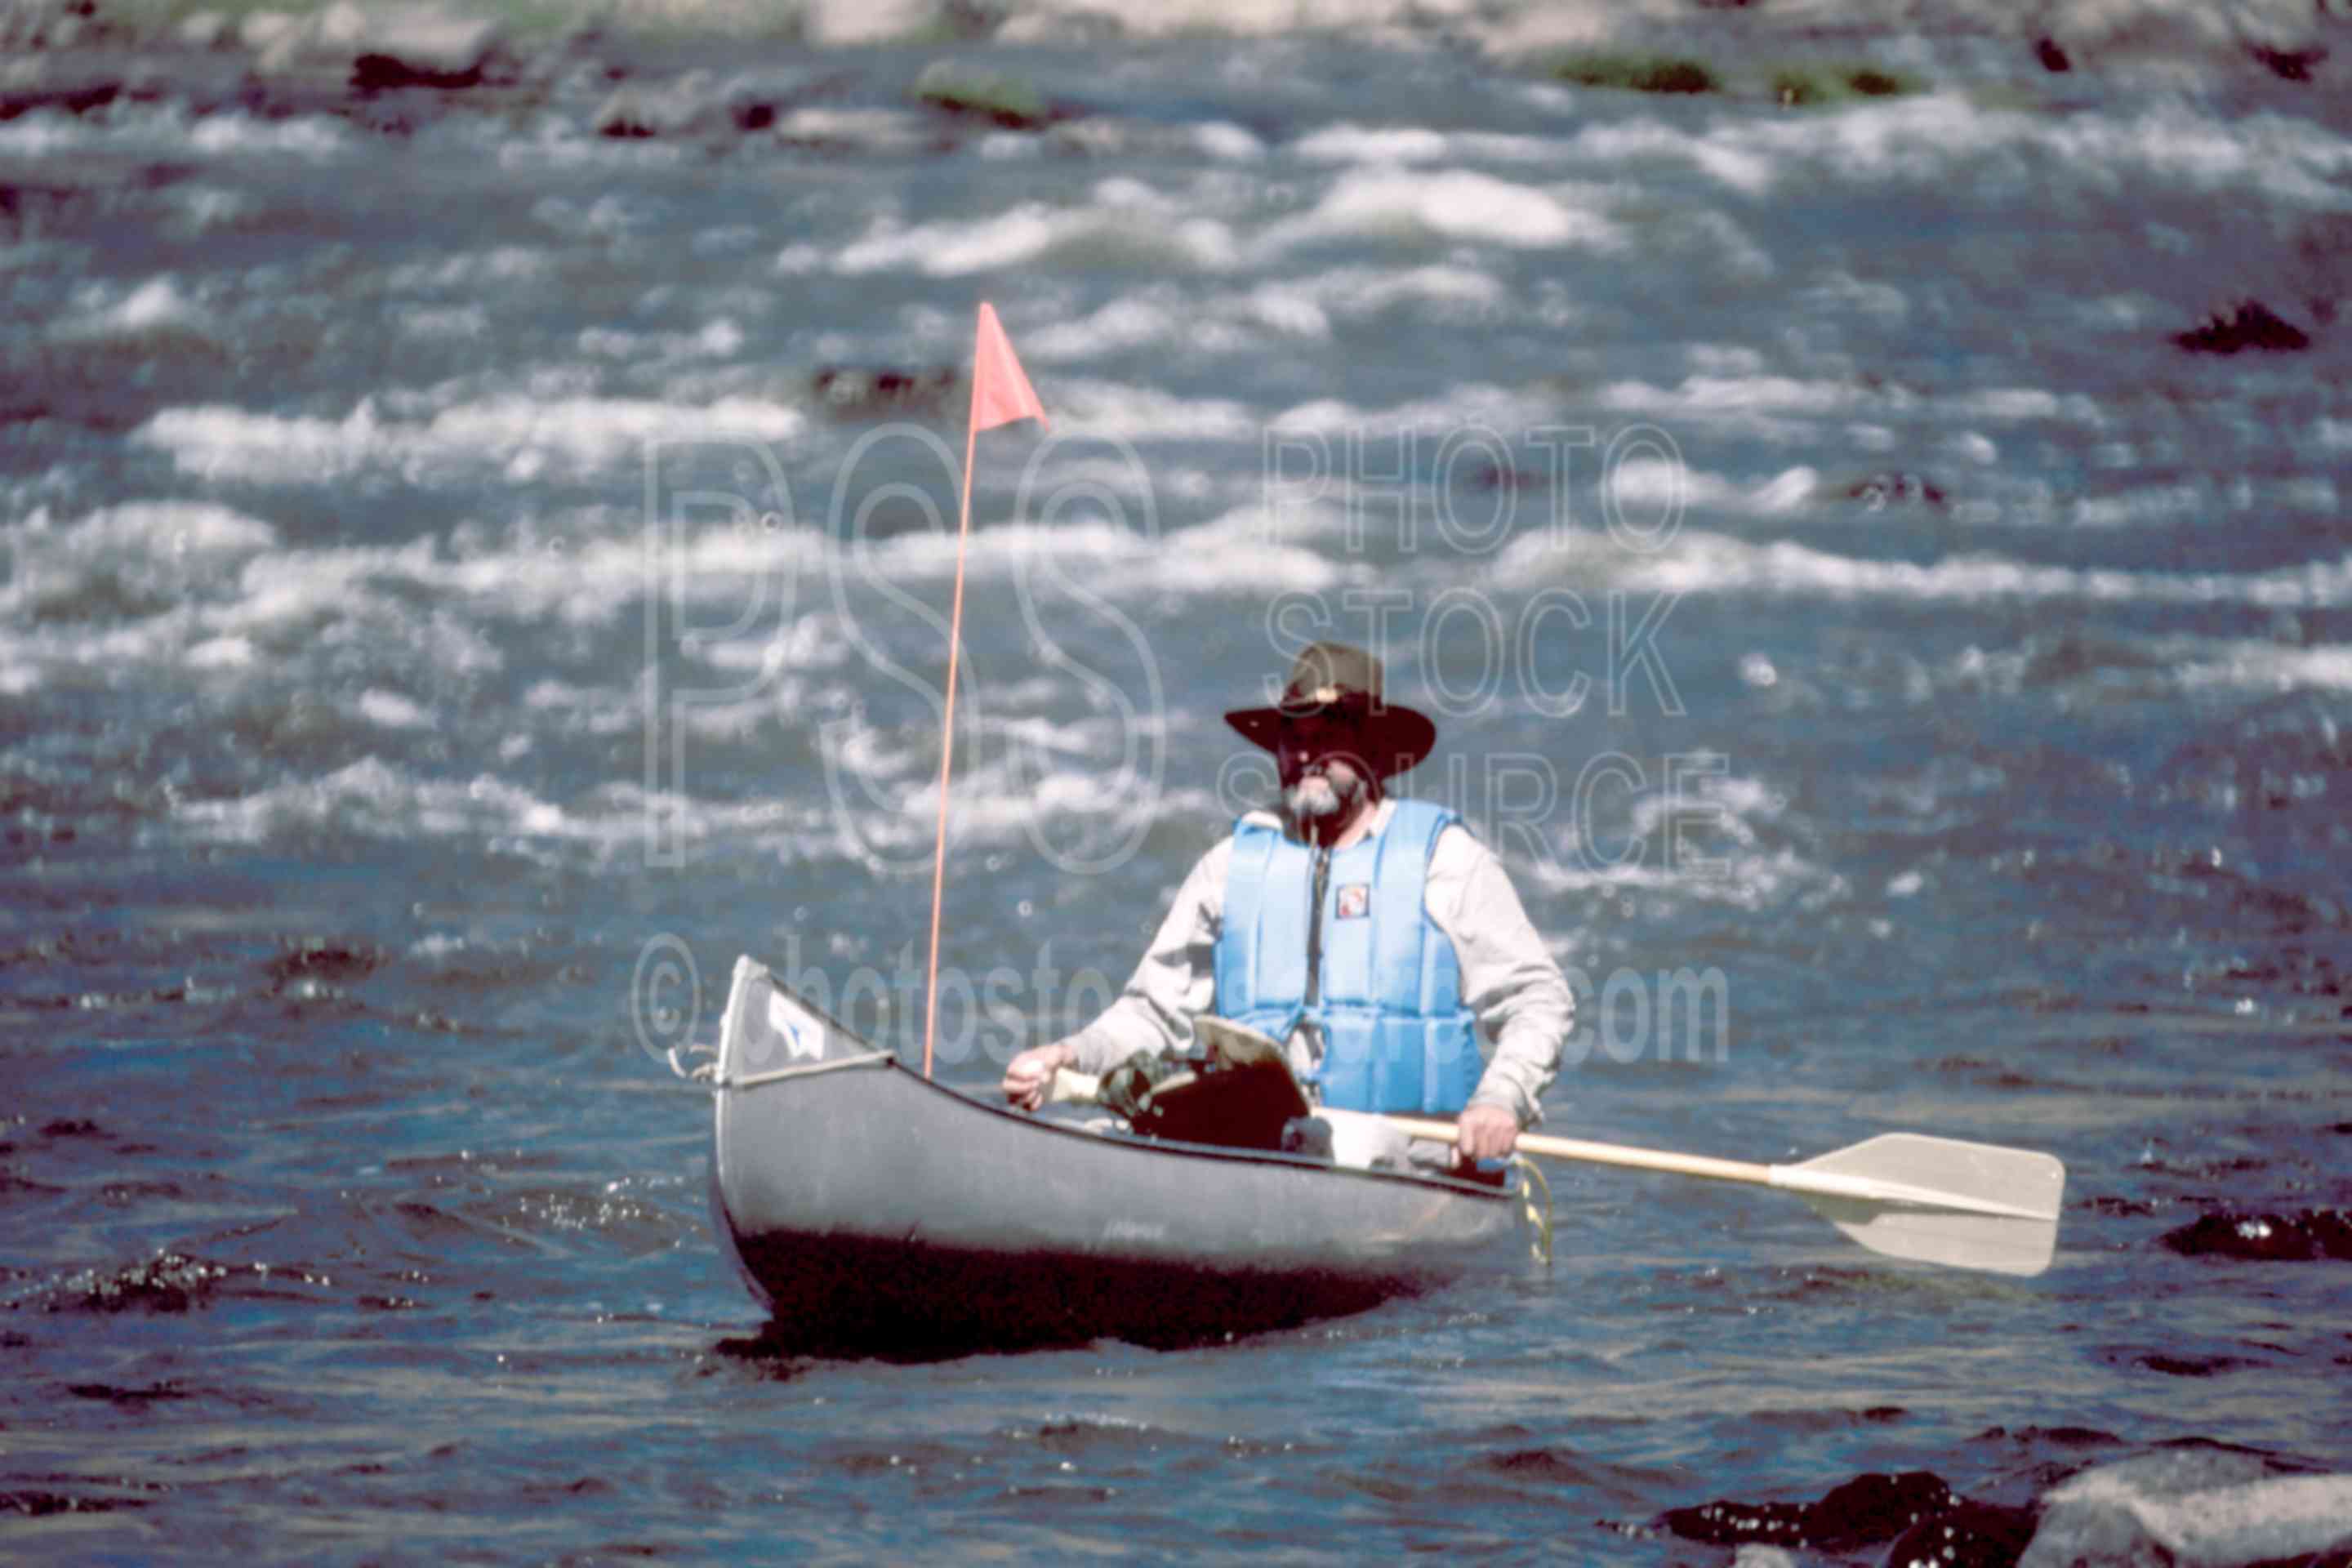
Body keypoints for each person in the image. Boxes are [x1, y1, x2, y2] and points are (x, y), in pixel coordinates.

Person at [1001, 641, 1572, 1167]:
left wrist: (1503, 1099)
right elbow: (1152, 1014)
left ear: (1372, 747)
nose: (1305, 752)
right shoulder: (1228, 867)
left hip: (1405, 1163)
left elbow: (1538, 998)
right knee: (1120, 1124)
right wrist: (1068, 1054)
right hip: (1262, 1154)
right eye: (1292, 735)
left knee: (1365, 1144)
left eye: (1329, 734)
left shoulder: (1444, 860)